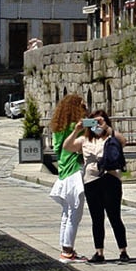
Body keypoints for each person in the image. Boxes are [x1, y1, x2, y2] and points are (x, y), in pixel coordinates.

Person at [64, 110, 128, 264]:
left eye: (99, 121)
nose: (96, 125)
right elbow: (67, 147)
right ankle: (99, 251)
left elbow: (123, 141)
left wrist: (107, 128)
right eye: (93, 122)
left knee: (114, 216)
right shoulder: (84, 140)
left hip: (110, 178)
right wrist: (76, 129)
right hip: (91, 181)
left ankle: (123, 250)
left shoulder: (111, 138)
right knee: (97, 218)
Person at [47, 94, 89, 262]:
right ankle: (68, 250)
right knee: (74, 214)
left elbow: (58, 147)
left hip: (63, 170)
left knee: (66, 213)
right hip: (74, 170)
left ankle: (65, 247)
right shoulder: (77, 126)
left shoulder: (58, 128)